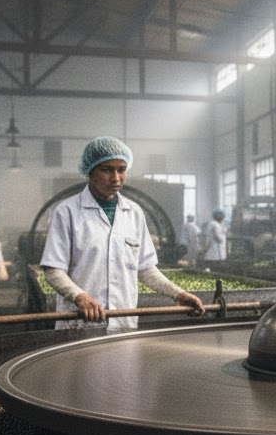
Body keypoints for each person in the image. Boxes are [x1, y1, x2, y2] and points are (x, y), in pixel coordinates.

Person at [41, 137, 205, 330]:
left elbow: (145, 269)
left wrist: (178, 294)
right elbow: (53, 270)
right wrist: (80, 297)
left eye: (122, 169)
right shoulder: (67, 212)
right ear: (90, 171)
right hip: (80, 324)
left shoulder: (134, 212)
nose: (116, 178)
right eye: (107, 170)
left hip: (123, 323)